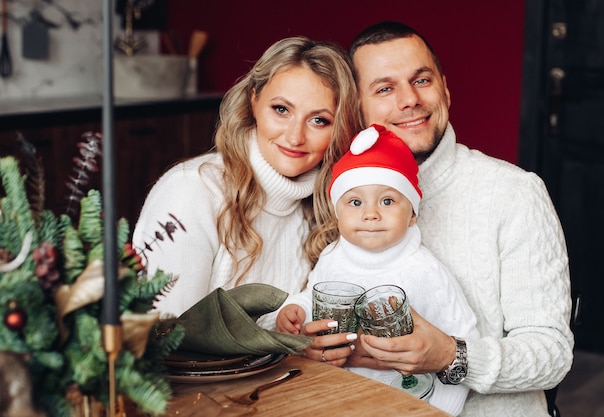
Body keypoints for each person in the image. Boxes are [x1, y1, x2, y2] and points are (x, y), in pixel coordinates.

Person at [328, 21, 574, 416]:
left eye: (421, 80)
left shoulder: (514, 193)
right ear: (357, 107)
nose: (409, 99)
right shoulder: (342, 198)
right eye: (385, 88)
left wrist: (451, 356)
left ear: (444, 88)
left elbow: (552, 355)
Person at [131, 36, 361, 331]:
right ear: (254, 101)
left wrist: (305, 342)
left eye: (319, 120)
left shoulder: (326, 205)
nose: (294, 137)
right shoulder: (191, 190)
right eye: (281, 110)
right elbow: (166, 338)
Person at [276, 124, 480, 416]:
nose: (370, 214)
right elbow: (315, 295)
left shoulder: (425, 272)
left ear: (411, 215)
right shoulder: (333, 256)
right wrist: (295, 310)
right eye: (355, 202)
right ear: (337, 212)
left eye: (387, 201)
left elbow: (460, 343)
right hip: (336, 400)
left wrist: (441, 411)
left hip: (404, 406)